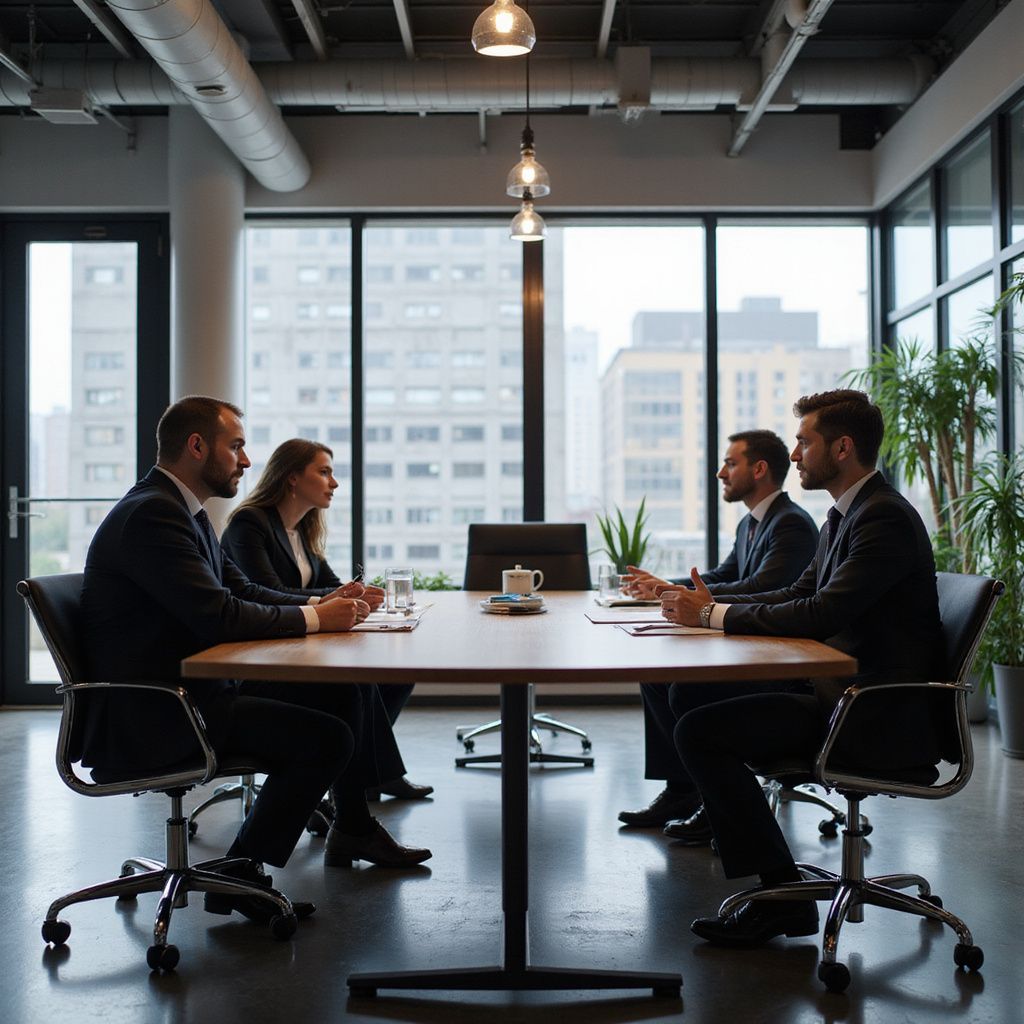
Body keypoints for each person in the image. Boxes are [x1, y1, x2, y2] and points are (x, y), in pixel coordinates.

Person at [81, 397, 429, 928]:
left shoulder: (182, 511)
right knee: (327, 737)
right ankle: (243, 869)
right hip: (160, 712)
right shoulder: (153, 514)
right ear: (197, 447)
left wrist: (322, 605)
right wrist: (319, 620)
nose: (246, 461)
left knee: (344, 689)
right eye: (236, 446)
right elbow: (219, 614)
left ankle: (351, 827)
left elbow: (241, 588)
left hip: (193, 692)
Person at [659, 389, 943, 947]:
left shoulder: (881, 517)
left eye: (803, 441)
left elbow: (824, 611)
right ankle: (745, 841)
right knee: (688, 696)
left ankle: (781, 894)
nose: (795, 455)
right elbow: (799, 591)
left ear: (841, 448)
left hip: (874, 710)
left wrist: (713, 614)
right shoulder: (847, 513)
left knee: (698, 728)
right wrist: (713, 612)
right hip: (839, 693)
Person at [617, 430, 817, 835]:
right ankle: (683, 789)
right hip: (751, 640)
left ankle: (713, 795)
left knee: (682, 684)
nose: (720, 472)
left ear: (759, 469)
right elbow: (725, 576)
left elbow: (762, 586)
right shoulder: (753, 522)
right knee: (656, 674)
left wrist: (681, 594)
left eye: (730, 463)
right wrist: (666, 585)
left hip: (776, 653)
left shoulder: (791, 524)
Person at [222, 437, 432, 802]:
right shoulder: (249, 523)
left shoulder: (302, 529)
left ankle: (374, 775)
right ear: (291, 478)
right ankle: (369, 781)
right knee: (354, 684)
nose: (333, 483)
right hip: (262, 648)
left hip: (299, 639)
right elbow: (261, 589)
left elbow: (328, 583)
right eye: (324, 472)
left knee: (398, 675)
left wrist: (356, 593)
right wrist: (327, 601)